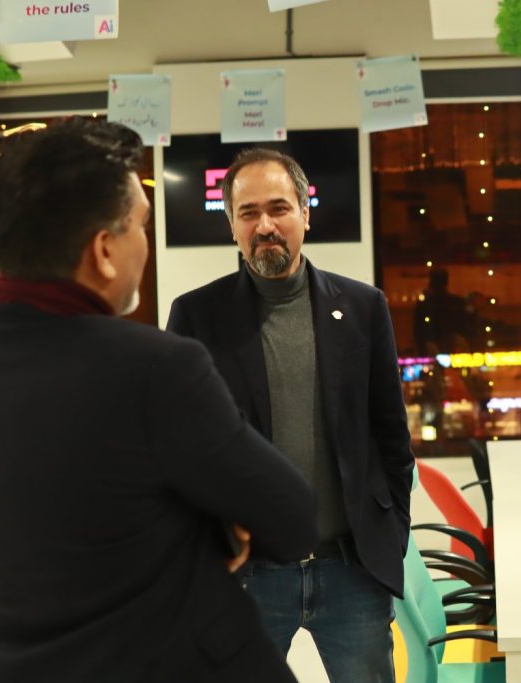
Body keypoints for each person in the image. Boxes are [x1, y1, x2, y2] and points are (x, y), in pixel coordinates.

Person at [0, 118, 317, 683]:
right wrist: (212, 528)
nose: (145, 243)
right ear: (104, 251)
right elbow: (291, 518)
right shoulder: (154, 368)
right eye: (141, 226)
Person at [167, 148, 414, 683]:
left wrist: (390, 537)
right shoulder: (196, 316)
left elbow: (392, 438)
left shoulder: (363, 307)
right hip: (248, 579)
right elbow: (177, 453)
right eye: (248, 212)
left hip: (352, 571)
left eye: (278, 208)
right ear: (232, 226)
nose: (265, 226)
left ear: (305, 213)